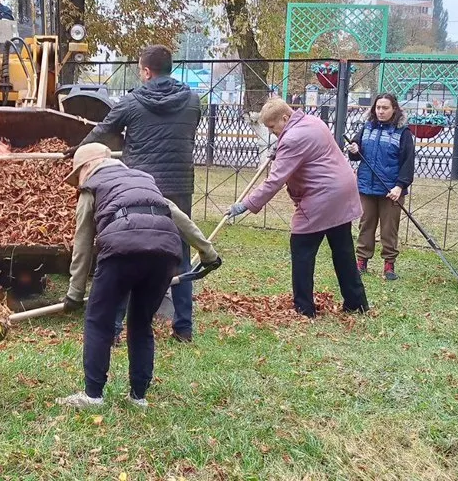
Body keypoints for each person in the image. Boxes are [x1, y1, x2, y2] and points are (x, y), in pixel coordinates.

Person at [55, 143, 220, 409]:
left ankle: (93, 395)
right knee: (141, 323)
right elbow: (178, 216)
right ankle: (138, 397)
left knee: (99, 321)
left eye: (78, 175)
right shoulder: (143, 180)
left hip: (121, 250)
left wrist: (74, 293)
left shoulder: (92, 186)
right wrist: (208, 252)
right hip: (164, 253)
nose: (78, 182)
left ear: (87, 167)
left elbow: (83, 243)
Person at [66, 45, 201, 342]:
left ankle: (113, 329)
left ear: (146, 71)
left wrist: (76, 152)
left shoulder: (133, 102)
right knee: (181, 252)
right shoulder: (192, 100)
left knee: (129, 247)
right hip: (180, 185)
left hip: (138, 186)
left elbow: (103, 130)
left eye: (140, 70)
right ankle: (184, 327)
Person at [225, 97, 369, 318]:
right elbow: (308, 155)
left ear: (285, 117)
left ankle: (304, 308)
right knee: (342, 250)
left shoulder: (293, 138)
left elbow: (274, 181)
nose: (273, 132)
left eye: (273, 127)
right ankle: (356, 303)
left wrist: (245, 204)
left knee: (301, 247)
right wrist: (279, 151)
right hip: (341, 192)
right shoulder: (313, 122)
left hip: (322, 196)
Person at [347, 93, 414, 281]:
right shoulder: (366, 128)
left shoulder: (403, 132)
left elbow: (408, 163)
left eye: (385, 108)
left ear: (394, 109)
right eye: (378, 108)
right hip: (367, 186)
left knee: (389, 228)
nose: (381, 111)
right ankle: (361, 262)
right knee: (365, 224)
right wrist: (354, 149)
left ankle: (389, 265)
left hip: (391, 190)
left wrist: (400, 186)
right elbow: (356, 153)